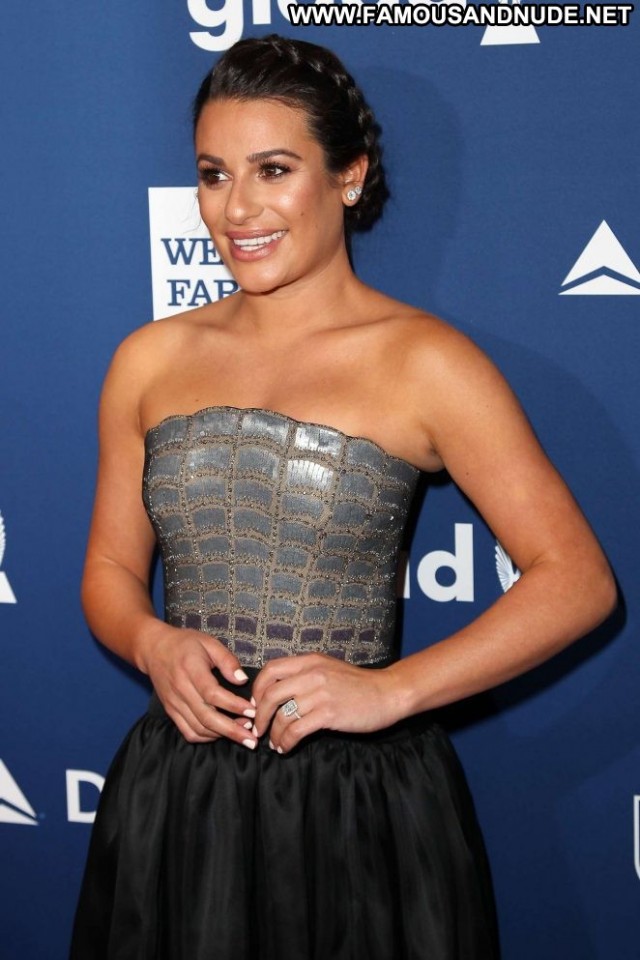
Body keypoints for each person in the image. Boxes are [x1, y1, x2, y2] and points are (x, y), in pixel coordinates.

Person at [69, 33, 616, 960]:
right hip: (180, 794)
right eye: (213, 174)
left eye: (274, 170)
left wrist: (392, 690)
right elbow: (110, 569)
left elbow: (578, 579)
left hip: (359, 808)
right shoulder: (147, 361)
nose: (237, 208)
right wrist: (152, 643)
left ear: (349, 177)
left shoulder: (428, 364)